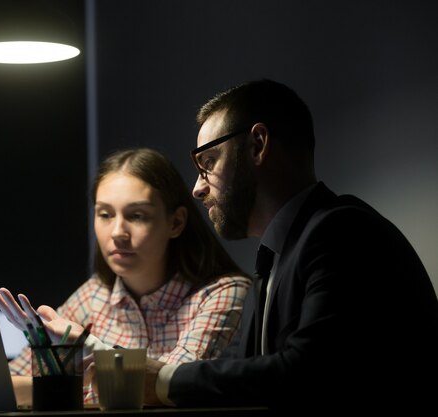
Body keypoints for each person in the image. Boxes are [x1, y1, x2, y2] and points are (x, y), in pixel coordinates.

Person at [143, 79, 438, 413]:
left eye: (208, 162)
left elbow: (306, 373)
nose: (197, 188)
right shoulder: (273, 258)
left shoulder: (342, 233)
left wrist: (165, 380)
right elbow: (249, 379)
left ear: (257, 145)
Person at [0, 147, 251, 406]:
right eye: (105, 214)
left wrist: (86, 347)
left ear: (176, 223)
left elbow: (170, 387)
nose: (117, 232)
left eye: (137, 215)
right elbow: (9, 381)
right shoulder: (94, 295)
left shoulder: (223, 292)